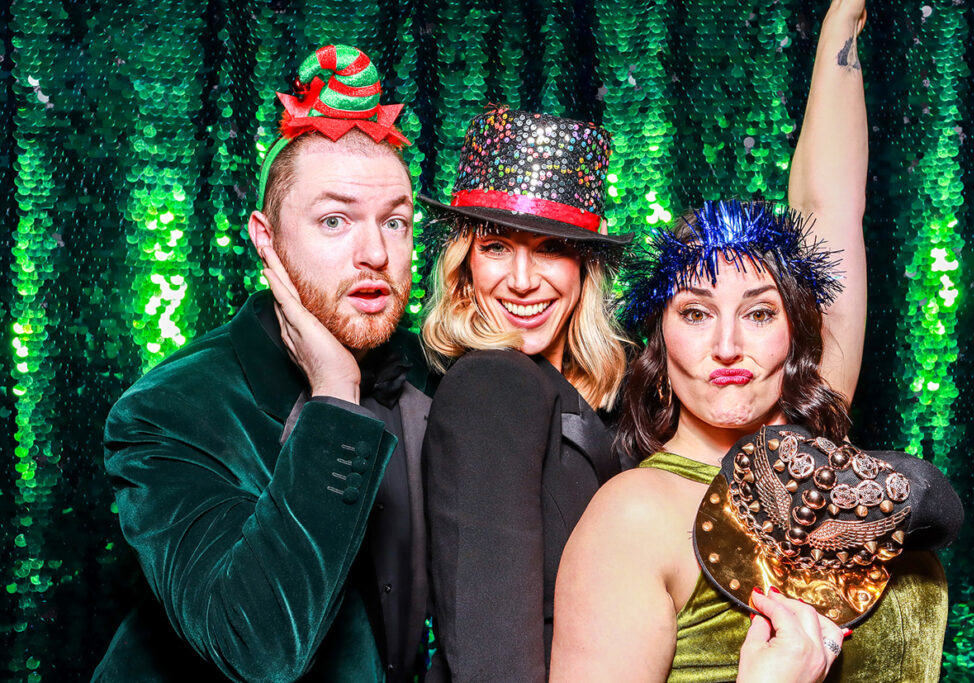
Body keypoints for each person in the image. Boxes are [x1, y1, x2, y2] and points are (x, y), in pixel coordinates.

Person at [551, 4, 960, 681]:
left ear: (795, 336)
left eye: (761, 314)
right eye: (696, 313)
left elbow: (829, 203)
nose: (729, 345)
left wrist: (842, 18)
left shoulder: (816, 466)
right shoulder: (631, 518)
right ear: (658, 343)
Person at [94, 45, 443, 682]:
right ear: (266, 238)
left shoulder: (434, 376)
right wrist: (335, 394)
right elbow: (258, 647)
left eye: (395, 222)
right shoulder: (167, 414)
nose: (375, 252)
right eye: (335, 220)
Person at [417, 106, 632, 681]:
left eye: (549, 248)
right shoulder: (493, 383)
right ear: (463, 267)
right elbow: (492, 656)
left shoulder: (596, 397)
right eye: (495, 247)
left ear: (584, 269)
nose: (521, 279)